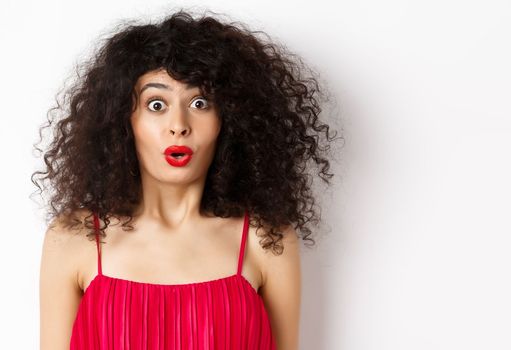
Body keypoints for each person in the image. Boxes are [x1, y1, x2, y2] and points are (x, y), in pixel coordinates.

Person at [35, 9, 339, 350]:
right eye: (156, 104)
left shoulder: (267, 240)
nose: (178, 124)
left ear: (229, 119)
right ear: (123, 120)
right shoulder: (74, 239)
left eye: (199, 102)